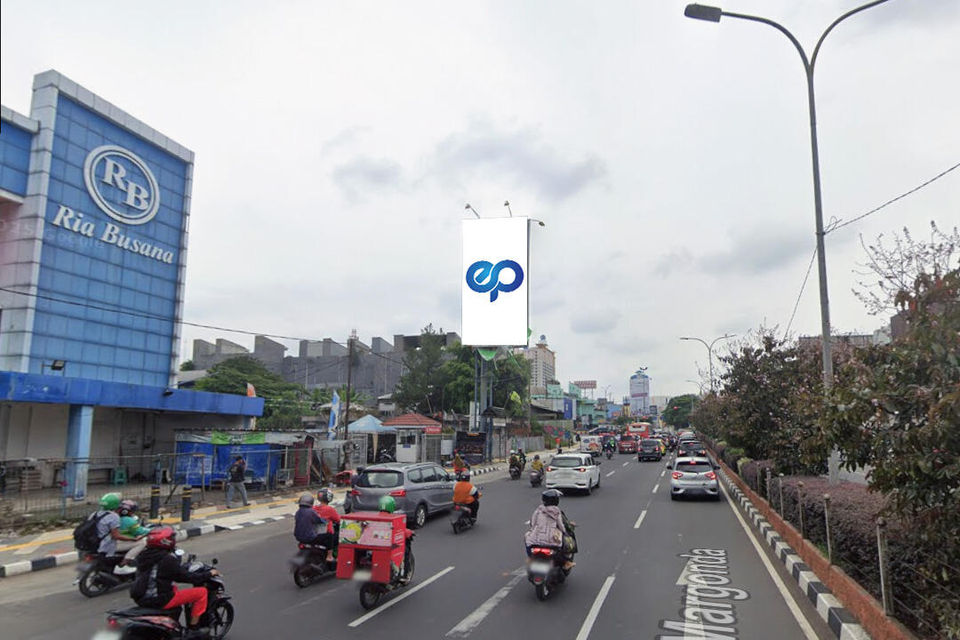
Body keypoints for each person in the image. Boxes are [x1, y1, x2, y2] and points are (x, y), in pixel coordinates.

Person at [131, 527, 218, 639]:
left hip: (142, 596)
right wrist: (209, 574)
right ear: (165, 541)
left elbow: (162, 574)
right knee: (201, 592)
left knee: (174, 588)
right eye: (171, 538)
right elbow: (188, 577)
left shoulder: (143, 556)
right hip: (158, 599)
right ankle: (193, 629)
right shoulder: (167, 559)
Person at [524, 489, 577, 570]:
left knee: (526, 537)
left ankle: (530, 558)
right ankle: (566, 562)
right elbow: (561, 526)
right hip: (551, 540)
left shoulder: (538, 510)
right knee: (564, 542)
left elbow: (532, 524)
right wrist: (565, 532)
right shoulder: (556, 512)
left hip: (536, 539)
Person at [377, 495, 413, 583]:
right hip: (390, 546)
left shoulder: (375, 518)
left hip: (374, 545)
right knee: (406, 550)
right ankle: (403, 575)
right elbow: (401, 531)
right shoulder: (394, 519)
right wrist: (410, 532)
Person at [117, 499, 150, 572]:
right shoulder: (128, 520)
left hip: (113, 542)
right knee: (143, 542)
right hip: (118, 544)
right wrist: (151, 530)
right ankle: (126, 561)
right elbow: (139, 531)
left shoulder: (115, 517)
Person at [312, 488, 341, 562]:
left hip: (314, 535)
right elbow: (338, 520)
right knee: (339, 536)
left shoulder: (313, 508)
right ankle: (330, 556)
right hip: (326, 537)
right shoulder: (329, 509)